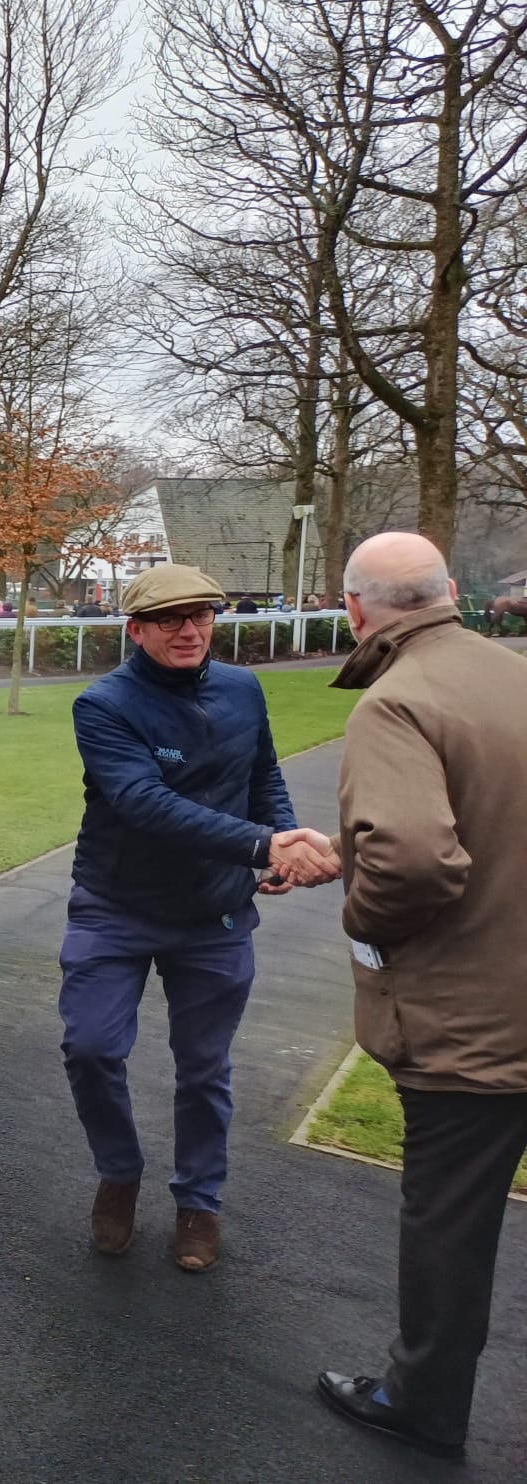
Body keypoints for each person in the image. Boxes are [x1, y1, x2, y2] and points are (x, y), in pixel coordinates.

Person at [59, 563, 338, 1271]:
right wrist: (260, 844)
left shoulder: (243, 688)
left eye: (201, 617)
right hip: (115, 907)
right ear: (136, 629)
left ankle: (198, 1204)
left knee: (205, 1069)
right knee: (91, 1049)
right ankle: (119, 1173)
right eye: (168, 619)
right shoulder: (103, 705)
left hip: (213, 913)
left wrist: (281, 841)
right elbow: (141, 802)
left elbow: (262, 774)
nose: (188, 630)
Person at [315, 532, 527, 1461]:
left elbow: (408, 859)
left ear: (356, 610)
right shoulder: (510, 672)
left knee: (450, 1219)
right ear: (446, 592)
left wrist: (364, 919)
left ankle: (423, 1402)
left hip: (470, 1022)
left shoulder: (396, 701)